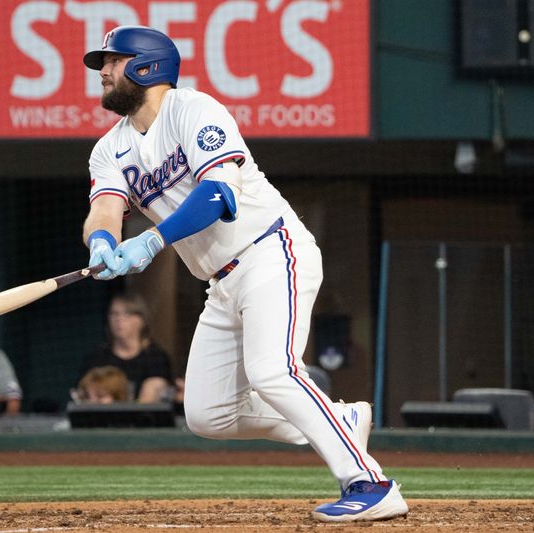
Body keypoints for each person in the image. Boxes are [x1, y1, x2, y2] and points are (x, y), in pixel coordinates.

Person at [80, 26, 408, 522]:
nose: (102, 72)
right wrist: (102, 240)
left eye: (113, 60)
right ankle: (339, 419)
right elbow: (105, 206)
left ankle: (370, 482)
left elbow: (218, 196)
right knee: (209, 415)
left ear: (147, 65)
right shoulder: (110, 148)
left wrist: (150, 240)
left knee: (273, 371)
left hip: (271, 251)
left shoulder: (194, 110)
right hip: (221, 282)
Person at [78, 292, 173, 403]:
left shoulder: (156, 358)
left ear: (142, 319)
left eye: (127, 314)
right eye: (114, 314)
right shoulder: (96, 358)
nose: (118, 319)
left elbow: (153, 396)